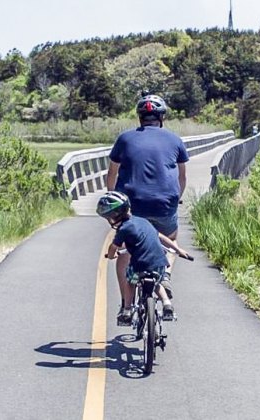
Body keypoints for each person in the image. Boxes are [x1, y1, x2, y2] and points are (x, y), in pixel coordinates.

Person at [106, 92, 189, 316]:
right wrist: (175, 198)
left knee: (125, 252)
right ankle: (166, 276)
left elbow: (112, 173)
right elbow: (181, 177)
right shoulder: (175, 139)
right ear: (161, 118)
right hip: (164, 204)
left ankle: (126, 307)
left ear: (140, 117)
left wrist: (113, 201)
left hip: (132, 207)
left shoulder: (125, 139)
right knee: (170, 240)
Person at [96, 191, 192, 325]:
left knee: (131, 282)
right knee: (156, 283)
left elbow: (113, 247)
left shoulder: (123, 229)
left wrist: (111, 256)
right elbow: (160, 236)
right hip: (159, 263)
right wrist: (178, 250)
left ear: (115, 216)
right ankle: (167, 303)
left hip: (140, 265)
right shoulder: (143, 221)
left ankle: (127, 310)